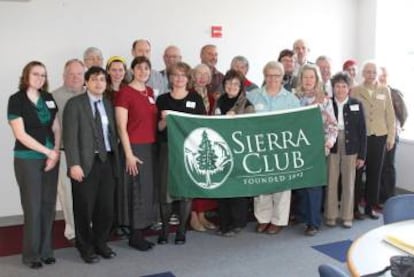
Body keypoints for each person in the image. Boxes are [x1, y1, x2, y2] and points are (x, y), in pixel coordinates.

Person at [63, 66, 119, 264]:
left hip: (107, 161)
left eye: (102, 80)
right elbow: (69, 137)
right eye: (94, 79)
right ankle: (85, 246)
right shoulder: (74, 104)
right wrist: (73, 164)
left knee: (106, 208)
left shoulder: (108, 104)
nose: (99, 83)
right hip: (85, 163)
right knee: (84, 208)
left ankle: (100, 243)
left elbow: (112, 134)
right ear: (86, 82)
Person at [8, 61, 60, 269]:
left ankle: (46, 250)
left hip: (51, 158)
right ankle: (31, 255)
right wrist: (49, 152)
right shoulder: (16, 99)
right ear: (26, 76)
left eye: (43, 75)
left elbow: (57, 127)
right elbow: (20, 134)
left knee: (48, 206)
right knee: (33, 207)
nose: (40, 78)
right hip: (27, 159)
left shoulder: (48, 98)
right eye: (36, 74)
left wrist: (54, 152)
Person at [247, 61, 300, 235]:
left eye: (276, 75)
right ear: (264, 76)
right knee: (261, 183)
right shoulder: (253, 96)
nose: (272, 79)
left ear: (282, 77)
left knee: (282, 185)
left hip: (282, 148)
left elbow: (297, 123)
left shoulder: (291, 99)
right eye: (269, 75)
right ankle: (263, 219)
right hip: (259, 146)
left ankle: (278, 220)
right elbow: (244, 119)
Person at [156, 62, 206, 244]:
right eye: (175, 75)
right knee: (166, 191)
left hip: (188, 151)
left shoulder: (195, 98)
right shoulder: (162, 100)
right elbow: (158, 128)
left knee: (185, 192)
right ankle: (165, 230)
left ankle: (182, 230)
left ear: (188, 78)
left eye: (182, 75)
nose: (179, 79)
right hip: (167, 150)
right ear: (170, 78)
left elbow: (202, 125)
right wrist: (165, 122)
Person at [115, 56, 158, 251]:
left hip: (150, 147)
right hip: (134, 147)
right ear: (132, 70)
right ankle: (135, 235)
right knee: (136, 191)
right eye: (139, 68)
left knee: (146, 190)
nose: (143, 71)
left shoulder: (149, 92)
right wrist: (129, 154)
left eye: (146, 68)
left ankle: (141, 229)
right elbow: (121, 127)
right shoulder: (125, 93)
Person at [295, 64, 338, 236]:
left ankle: (313, 223)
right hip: (297, 148)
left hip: (317, 148)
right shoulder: (293, 99)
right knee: (301, 185)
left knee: (313, 185)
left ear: (317, 79)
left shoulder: (325, 100)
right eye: (305, 77)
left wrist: (328, 143)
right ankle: (304, 216)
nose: (308, 80)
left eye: (311, 77)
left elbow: (333, 125)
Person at [351, 61, 395, 219]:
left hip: (379, 137)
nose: (371, 75)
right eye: (368, 72)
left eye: (373, 72)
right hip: (361, 138)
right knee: (357, 173)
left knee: (375, 174)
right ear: (363, 73)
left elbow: (390, 115)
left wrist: (391, 137)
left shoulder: (385, 90)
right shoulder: (355, 90)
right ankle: (355, 208)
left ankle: (370, 207)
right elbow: (351, 114)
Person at [214, 69, 254, 236]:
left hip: (239, 150)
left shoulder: (247, 104)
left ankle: (237, 222)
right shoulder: (219, 101)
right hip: (221, 149)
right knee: (222, 185)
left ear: (241, 87)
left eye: (236, 84)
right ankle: (224, 222)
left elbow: (251, 127)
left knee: (237, 188)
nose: (232, 86)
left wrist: (236, 119)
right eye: (229, 83)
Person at [325, 72, 366, 228]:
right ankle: (331, 215)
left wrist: (362, 155)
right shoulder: (328, 103)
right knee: (331, 180)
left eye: (344, 86)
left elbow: (363, 131)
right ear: (333, 88)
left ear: (349, 88)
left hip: (351, 146)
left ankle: (347, 216)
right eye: (337, 86)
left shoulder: (357, 103)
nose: (340, 89)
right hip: (332, 144)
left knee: (349, 182)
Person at [52, 59, 86, 245]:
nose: (75, 78)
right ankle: (73, 232)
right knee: (68, 194)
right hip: (65, 153)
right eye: (71, 74)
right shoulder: (53, 97)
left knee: (87, 193)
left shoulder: (91, 94)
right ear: (64, 76)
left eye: (79, 74)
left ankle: (87, 227)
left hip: (88, 153)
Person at [188, 63, 218, 231]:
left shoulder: (213, 97)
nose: (202, 77)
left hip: (208, 141)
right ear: (193, 76)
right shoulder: (189, 95)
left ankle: (202, 215)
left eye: (206, 74)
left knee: (207, 179)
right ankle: (193, 216)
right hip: (192, 143)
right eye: (199, 74)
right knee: (195, 178)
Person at [378, 66, 408, 204]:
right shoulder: (375, 92)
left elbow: (403, 113)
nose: (382, 78)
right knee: (379, 166)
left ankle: (389, 198)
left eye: (384, 75)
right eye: (380, 75)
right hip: (377, 135)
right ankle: (379, 197)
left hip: (391, 135)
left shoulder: (394, 93)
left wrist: (397, 129)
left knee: (388, 166)